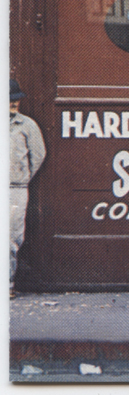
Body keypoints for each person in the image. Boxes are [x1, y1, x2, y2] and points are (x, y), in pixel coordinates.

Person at [10, 79, 46, 299]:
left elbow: (38, 155)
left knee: (11, 237)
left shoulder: (27, 125)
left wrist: (22, 177)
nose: (14, 103)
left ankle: (7, 284)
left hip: (15, 189)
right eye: (9, 100)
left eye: (16, 99)